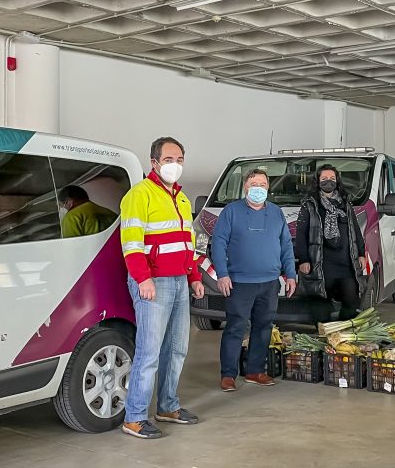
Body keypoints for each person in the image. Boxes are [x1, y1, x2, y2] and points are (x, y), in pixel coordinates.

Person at [119, 136, 205, 439]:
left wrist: (194, 277)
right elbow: (131, 244)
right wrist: (143, 279)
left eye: (180, 160)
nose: (175, 165)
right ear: (154, 162)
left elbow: (187, 243)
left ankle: (168, 406)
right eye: (169, 160)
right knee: (149, 352)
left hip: (180, 281)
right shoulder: (139, 195)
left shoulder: (181, 198)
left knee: (178, 348)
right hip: (153, 282)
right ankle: (135, 417)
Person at [213, 169, 297, 391]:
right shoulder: (231, 212)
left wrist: (291, 274)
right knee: (235, 327)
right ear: (245, 187)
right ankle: (228, 374)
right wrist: (222, 274)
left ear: (268, 188)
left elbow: (286, 245)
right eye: (253, 184)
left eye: (262, 184)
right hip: (239, 282)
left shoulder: (277, 213)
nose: (258, 188)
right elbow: (219, 243)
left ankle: (255, 370)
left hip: (269, 282)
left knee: (263, 327)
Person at [294, 166, 367, 323]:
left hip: (346, 264)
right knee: (320, 306)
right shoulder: (310, 205)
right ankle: (325, 338)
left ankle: (341, 332)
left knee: (352, 302)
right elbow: (301, 235)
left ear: (338, 181)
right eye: (324, 179)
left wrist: (361, 253)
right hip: (321, 265)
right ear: (318, 182)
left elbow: (355, 230)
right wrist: (303, 259)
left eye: (332, 179)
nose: (328, 182)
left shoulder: (345, 204)